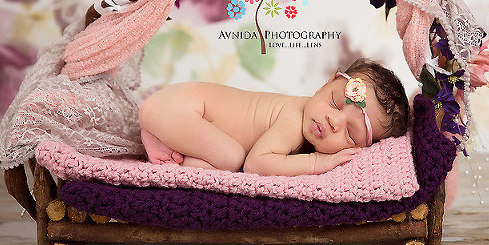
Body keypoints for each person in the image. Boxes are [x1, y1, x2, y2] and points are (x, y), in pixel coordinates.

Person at [138, 58, 408, 176]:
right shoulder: (294, 116)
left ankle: (166, 140)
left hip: (177, 109)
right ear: (328, 83)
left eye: (350, 134)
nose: (333, 121)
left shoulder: (306, 124)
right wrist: (316, 163)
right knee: (231, 159)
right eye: (335, 101)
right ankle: (156, 131)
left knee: (223, 161)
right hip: (179, 106)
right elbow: (257, 165)